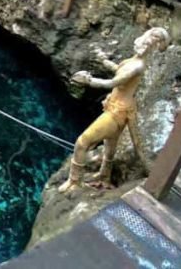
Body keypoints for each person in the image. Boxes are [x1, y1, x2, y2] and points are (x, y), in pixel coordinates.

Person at [58, 27, 169, 192]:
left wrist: (88, 80)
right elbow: (118, 69)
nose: (149, 40)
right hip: (119, 106)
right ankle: (104, 176)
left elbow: (112, 83)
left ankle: (75, 181)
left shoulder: (137, 66)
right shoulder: (133, 60)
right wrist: (103, 59)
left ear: (155, 46)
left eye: (156, 39)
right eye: (151, 35)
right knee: (110, 146)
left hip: (117, 111)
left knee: (82, 142)